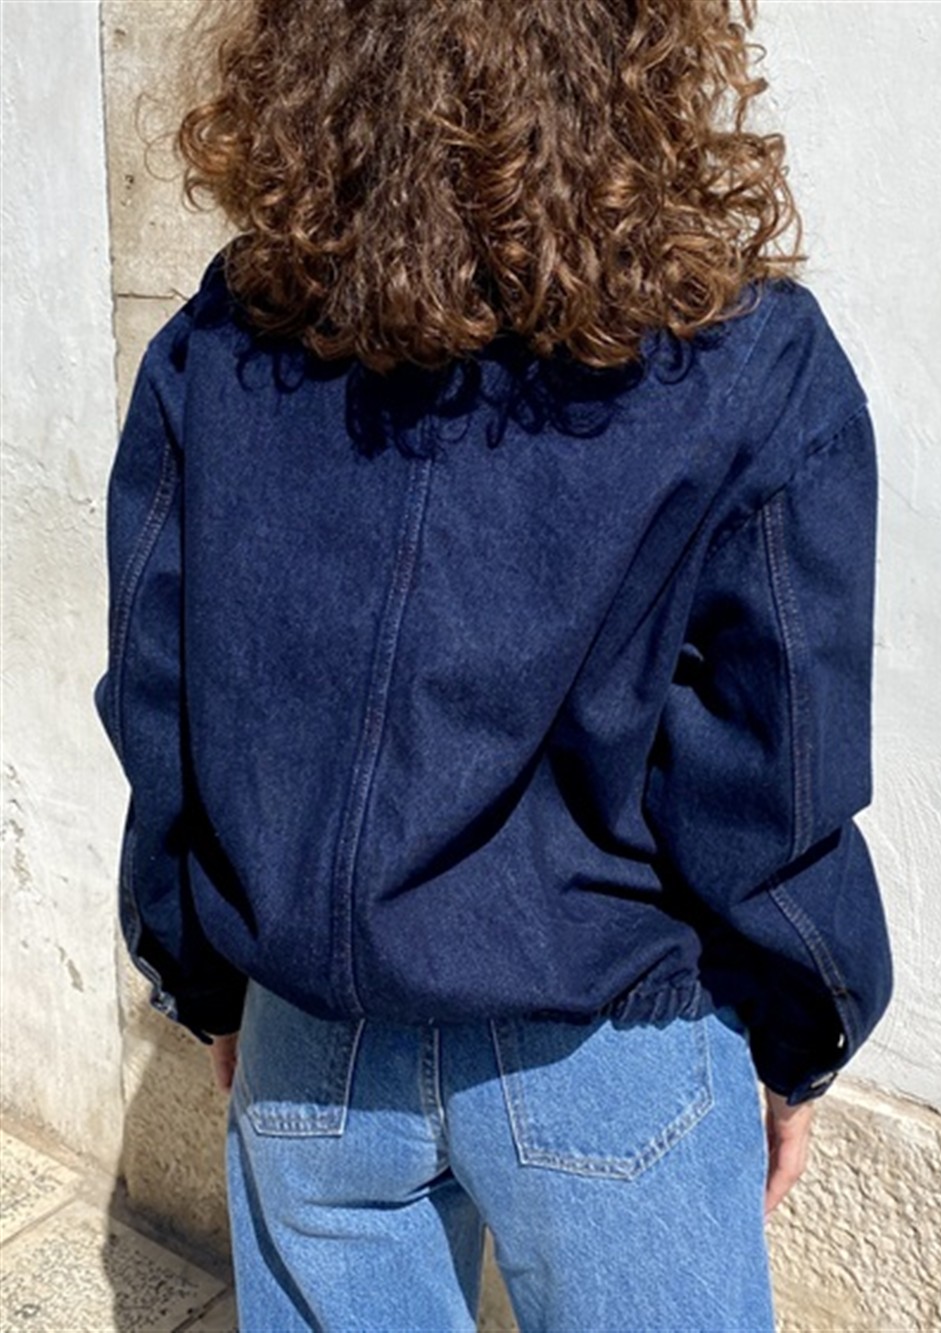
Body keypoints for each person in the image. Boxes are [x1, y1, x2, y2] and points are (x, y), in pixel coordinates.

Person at [94, 0, 893, 1329]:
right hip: (612, 1042)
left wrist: (204, 969)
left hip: (317, 1046)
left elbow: (162, 696)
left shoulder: (229, 343)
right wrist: (805, 1026)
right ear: (637, 47)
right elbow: (774, 763)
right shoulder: (742, 357)